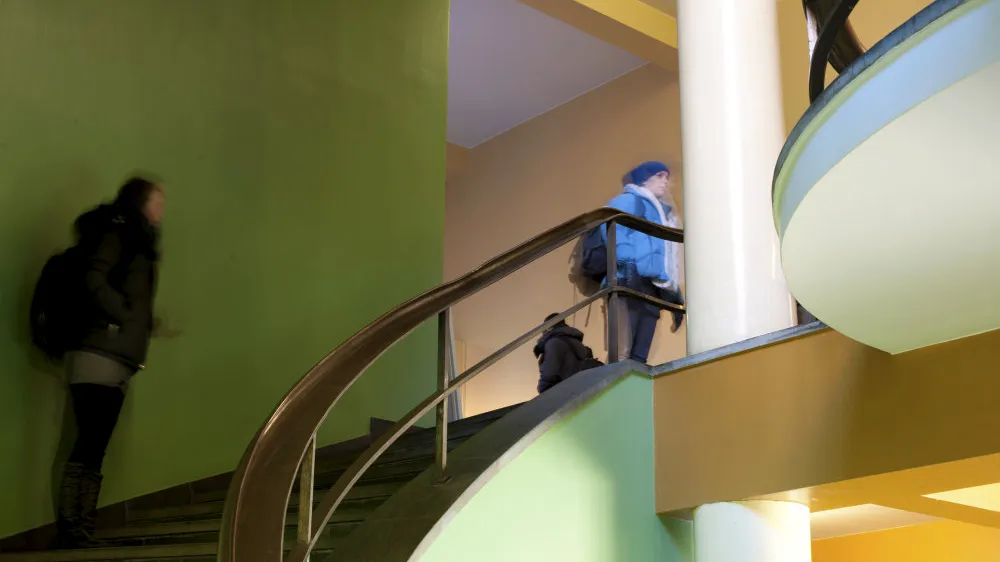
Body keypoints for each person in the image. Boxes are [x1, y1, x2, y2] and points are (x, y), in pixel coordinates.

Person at [55, 177, 164, 547]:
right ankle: (72, 527)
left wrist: (144, 321)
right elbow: (94, 279)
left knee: (94, 445)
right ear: (141, 202)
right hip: (99, 354)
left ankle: (81, 525)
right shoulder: (120, 235)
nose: (162, 209)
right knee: (89, 444)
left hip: (112, 356)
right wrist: (127, 315)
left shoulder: (136, 242)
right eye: (158, 201)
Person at [603, 161, 684, 364]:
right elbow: (614, 230)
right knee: (622, 351)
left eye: (666, 177)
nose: (665, 181)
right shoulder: (630, 201)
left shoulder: (662, 214)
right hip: (626, 280)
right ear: (644, 179)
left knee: (640, 356)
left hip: (651, 286)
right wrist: (627, 262)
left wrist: (675, 298)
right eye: (659, 176)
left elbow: (667, 260)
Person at [534, 313, 601, 393]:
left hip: (566, 393)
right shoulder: (575, 342)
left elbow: (549, 373)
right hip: (582, 388)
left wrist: (542, 391)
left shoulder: (554, 343)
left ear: (548, 328)